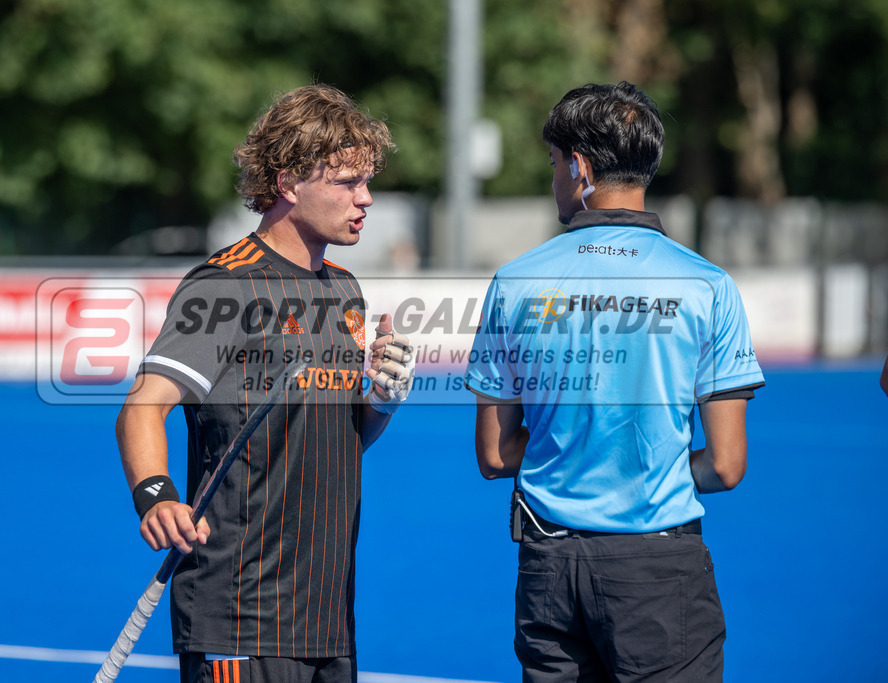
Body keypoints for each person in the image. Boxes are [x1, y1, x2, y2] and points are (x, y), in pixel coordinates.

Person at [464, 82, 766, 681]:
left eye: (554, 164)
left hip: (549, 569)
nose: (554, 178)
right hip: (659, 569)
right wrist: (642, 469)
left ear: (580, 168)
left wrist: (572, 459)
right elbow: (727, 467)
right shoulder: (707, 285)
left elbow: (496, 455)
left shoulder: (515, 280)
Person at [116, 84, 415, 683]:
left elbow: (341, 436)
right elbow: (142, 407)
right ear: (288, 184)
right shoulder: (226, 287)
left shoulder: (344, 289)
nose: (367, 198)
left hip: (328, 613)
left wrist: (380, 398)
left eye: (366, 181)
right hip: (240, 610)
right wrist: (156, 497)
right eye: (348, 183)